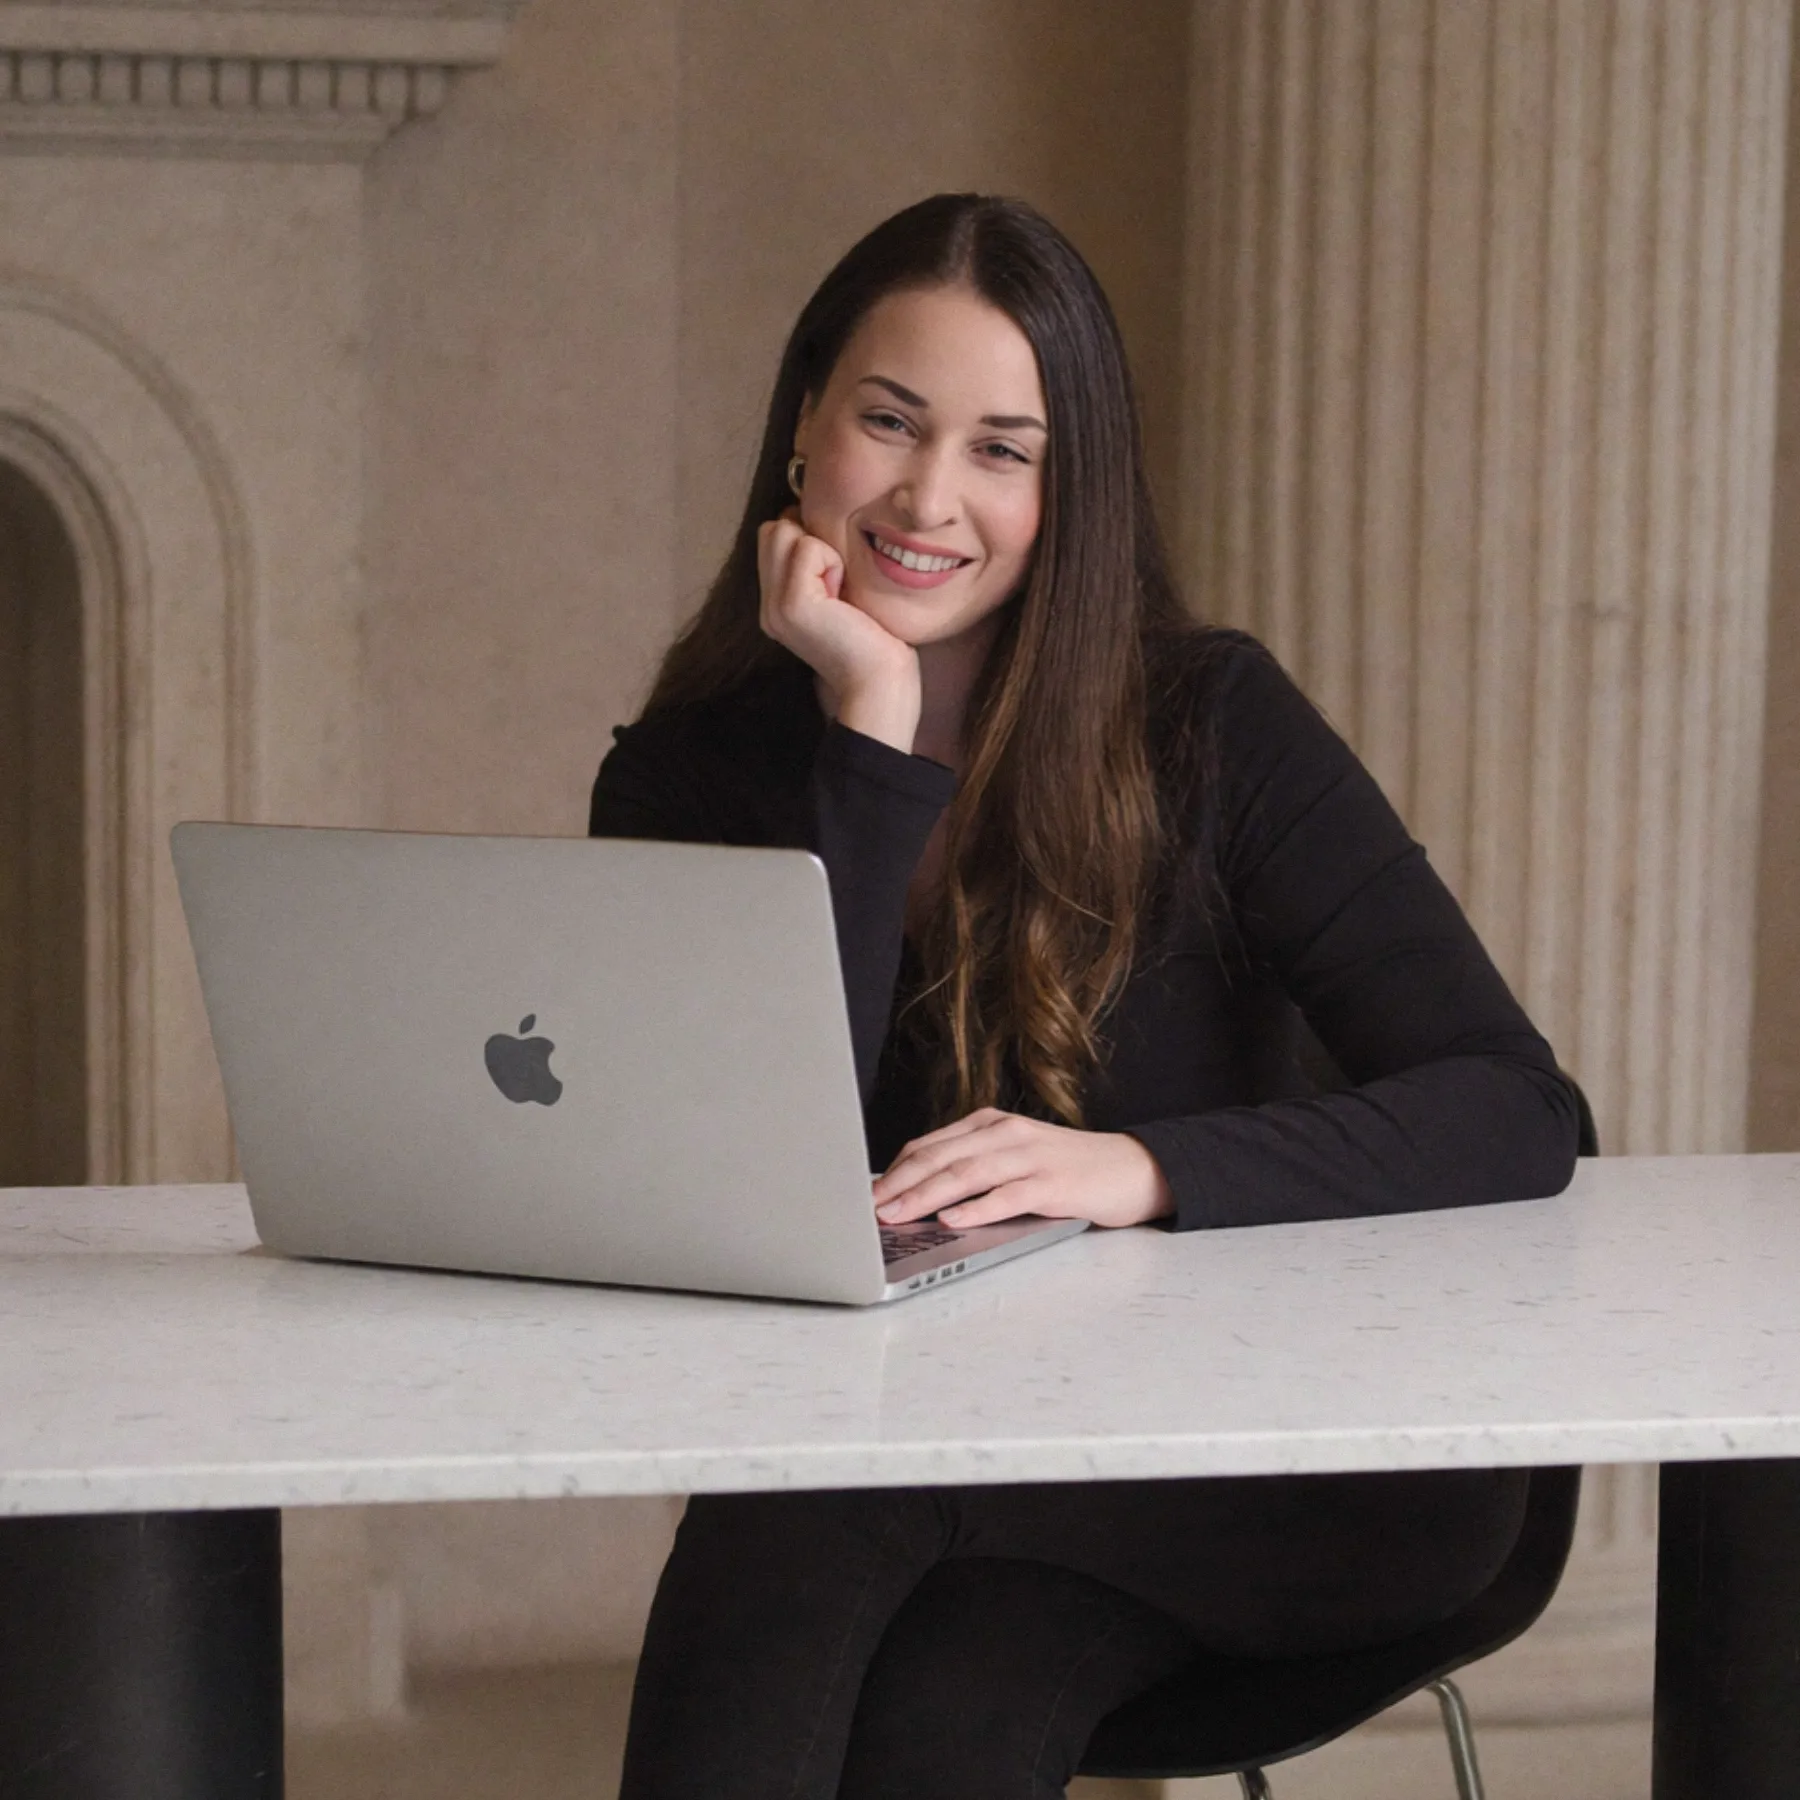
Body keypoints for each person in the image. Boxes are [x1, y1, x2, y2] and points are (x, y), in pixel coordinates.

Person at [588, 193, 1584, 1800]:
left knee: (803, 1503)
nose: (928, 496)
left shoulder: (1211, 725)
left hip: (1300, 1459)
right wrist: (867, 740)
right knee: (950, 1701)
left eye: (1004, 449)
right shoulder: (694, 773)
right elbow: (750, 1182)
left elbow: (1519, 1105)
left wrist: (1144, 1168)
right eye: (889, 421)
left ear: (1073, 488)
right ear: (803, 429)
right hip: (980, 1477)